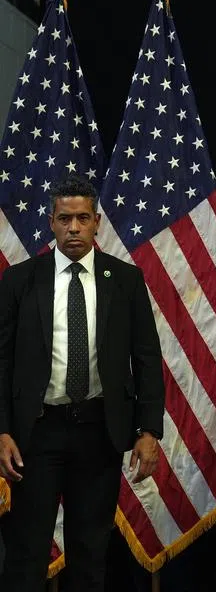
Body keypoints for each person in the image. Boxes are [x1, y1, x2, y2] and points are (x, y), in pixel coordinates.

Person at [0, 174, 164, 591]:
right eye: (64, 218)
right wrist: (2, 430)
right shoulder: (20, 280)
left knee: (90, 555)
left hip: (98, 432)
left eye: (82, 219)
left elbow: (146, 357)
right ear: (51, 222)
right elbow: (1, 361)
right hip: (36, 435)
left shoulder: (125, 280)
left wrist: (148, 429)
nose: (73, 228)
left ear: (97, 223)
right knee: (26, 554)